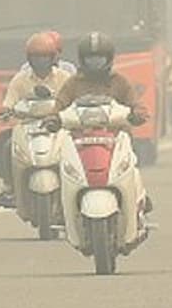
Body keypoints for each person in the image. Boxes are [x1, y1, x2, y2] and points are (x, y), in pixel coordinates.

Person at [54, 32, 154, 209]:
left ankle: (138, 195)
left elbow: (134, 103)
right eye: (90, 60)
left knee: (130, 160)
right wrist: (53, 119)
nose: (95, 64)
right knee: (62, 162)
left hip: (114, 137)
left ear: (109, 59)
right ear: (82, 60)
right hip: (79, 138)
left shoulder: (119, 81)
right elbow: (59, 105)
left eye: (99, 60)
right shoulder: (73, 83)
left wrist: (138, 113)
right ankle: (62, 202)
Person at [0, 32, 74, 209]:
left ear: (54, 57)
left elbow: (73, 98)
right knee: (6, 144)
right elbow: (10, 100)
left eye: (45, 57)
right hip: (28, 125)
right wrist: (5, 110)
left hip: (58, 125)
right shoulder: (21, 79)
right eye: (36, 58)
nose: (41, 62)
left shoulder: (65, 77)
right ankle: (9, 188)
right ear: (29, 58)